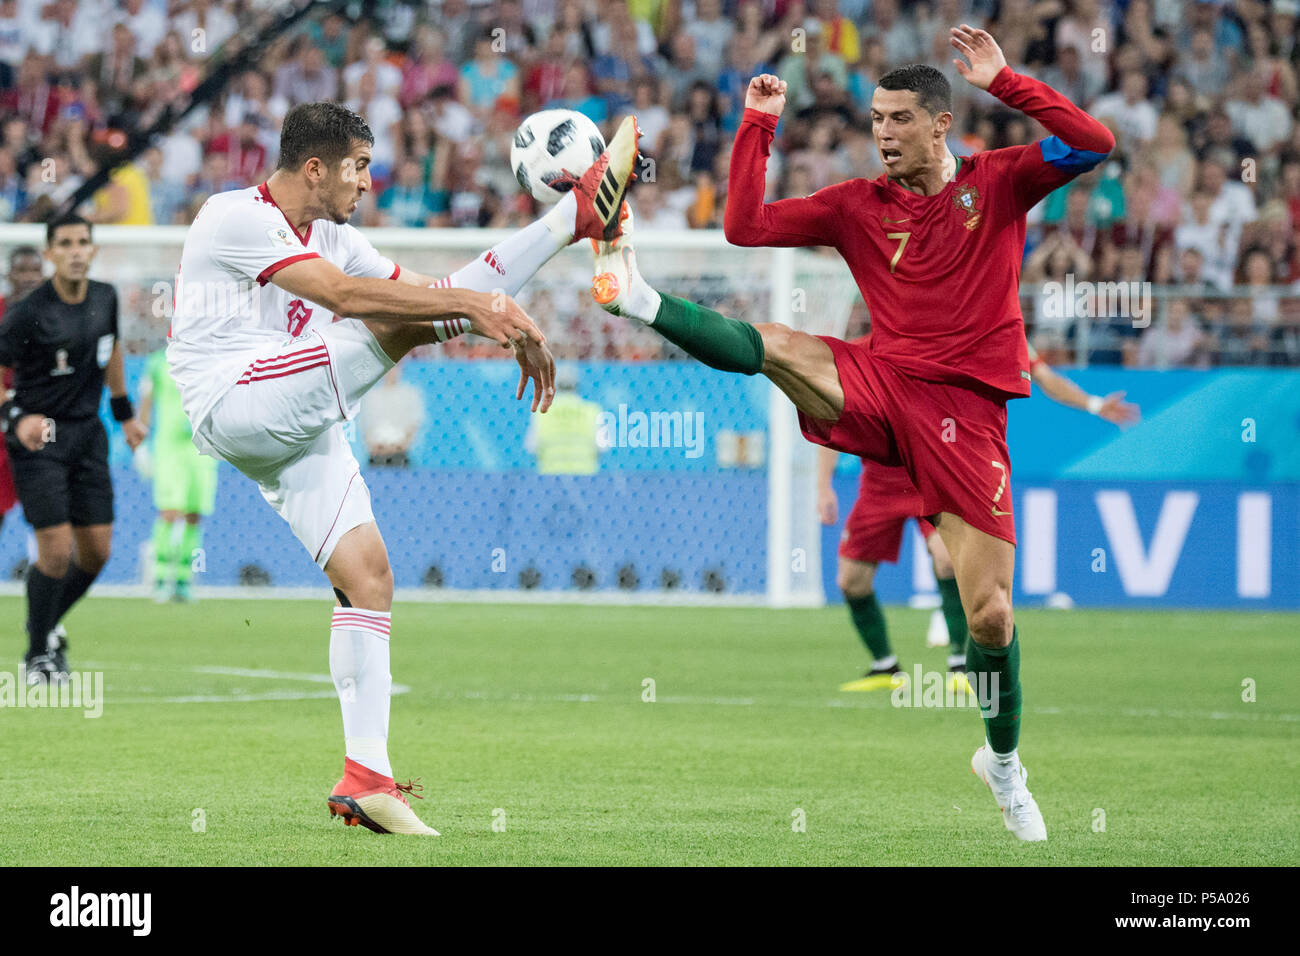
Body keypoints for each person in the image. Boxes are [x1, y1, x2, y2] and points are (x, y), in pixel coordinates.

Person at [590, 26, 1115, 842]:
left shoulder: (999, 182)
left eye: (900, 119)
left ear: (941, 123)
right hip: (882, 383)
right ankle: (636, 296)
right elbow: (745, 227)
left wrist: (1008, 82)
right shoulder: (855, 205)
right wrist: (757, 126)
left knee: (991, 620)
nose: (882, 133)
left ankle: (1003, 766)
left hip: (969, 416)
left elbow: (1095, 143)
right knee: (781, 346)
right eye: (876, 119)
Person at [166, 103, 638, 836]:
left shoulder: (336, 235)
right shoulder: (233, 216)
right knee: (394, 322)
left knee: (369, 576)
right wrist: (481, 309)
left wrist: (486, 301)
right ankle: (570, 218)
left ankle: (367, 778)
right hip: (234, 401)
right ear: (315, 168)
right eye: (358, 166)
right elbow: (351, 301)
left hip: (297, 419)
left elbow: (437, 294)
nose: (369, 181)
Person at [819, 341, 1139, 691]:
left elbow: (1043, 376)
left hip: (931, 472)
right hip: (880, 482)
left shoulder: (971, 331)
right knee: (851, 581)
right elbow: (830, 411)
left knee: (945, 559)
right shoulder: (870, 347)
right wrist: (823, 485)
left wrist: (1093, 403)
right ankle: (885, 667)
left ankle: (959, 664)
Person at [0, 215, 147, 685]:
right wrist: (15, 419)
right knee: (57, 551)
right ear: (49, 254)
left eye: (84, 242)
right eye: (65, 243)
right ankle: (38, 654)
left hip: (88, 434)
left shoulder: (105, 298)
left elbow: (113, 350)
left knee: (98, 552)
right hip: (39, 437)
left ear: (94, 249)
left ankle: (41, 623)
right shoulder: (28, 312)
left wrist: (124, 414)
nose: (77, 250)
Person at [137, 345, 218, 603]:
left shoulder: (211, 358)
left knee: (195, 514)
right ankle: (160, 577)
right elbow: (146, 404)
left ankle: (184, 579)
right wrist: (140, 446)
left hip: (201, 448)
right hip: (169, 448)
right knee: (170, 512)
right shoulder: (159, 362)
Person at [0, 246, 46, 537]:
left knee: (48, 510)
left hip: (41, 420)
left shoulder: (54, 313)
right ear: (9, 274)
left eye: (35, 270)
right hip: (3, 419)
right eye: (22, 270)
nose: (29, 277)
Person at [524, 364, 601, 475]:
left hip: (551, 477)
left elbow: (532, 447)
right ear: (577, 386)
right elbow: (602, 446)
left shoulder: (543, 411)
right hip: (584, 476)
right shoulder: (592, 411)